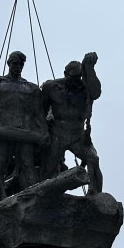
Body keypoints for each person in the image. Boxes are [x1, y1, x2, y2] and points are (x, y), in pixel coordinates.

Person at [0, 51, 48, 203]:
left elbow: (38, 113)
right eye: (15, 63)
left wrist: (44, 132)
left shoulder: (31, 88)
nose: (18, 67)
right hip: (1, 132)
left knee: (28, 165)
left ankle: (33, 201)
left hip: (24, 133)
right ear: (8, 63)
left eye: (20, 64)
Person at [40, 52, 103, 193]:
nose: (76, 80)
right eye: (72, 76)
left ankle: (95, 194)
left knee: (93, 158)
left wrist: (89, 67)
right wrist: (43, 130)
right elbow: (41, 112)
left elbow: (96, 93)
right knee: (48, 169)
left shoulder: (85, 88)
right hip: (57, 132)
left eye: (79, 76)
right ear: (65, 73)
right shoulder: (51, 87)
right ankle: (43, 195)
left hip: (78, 133)